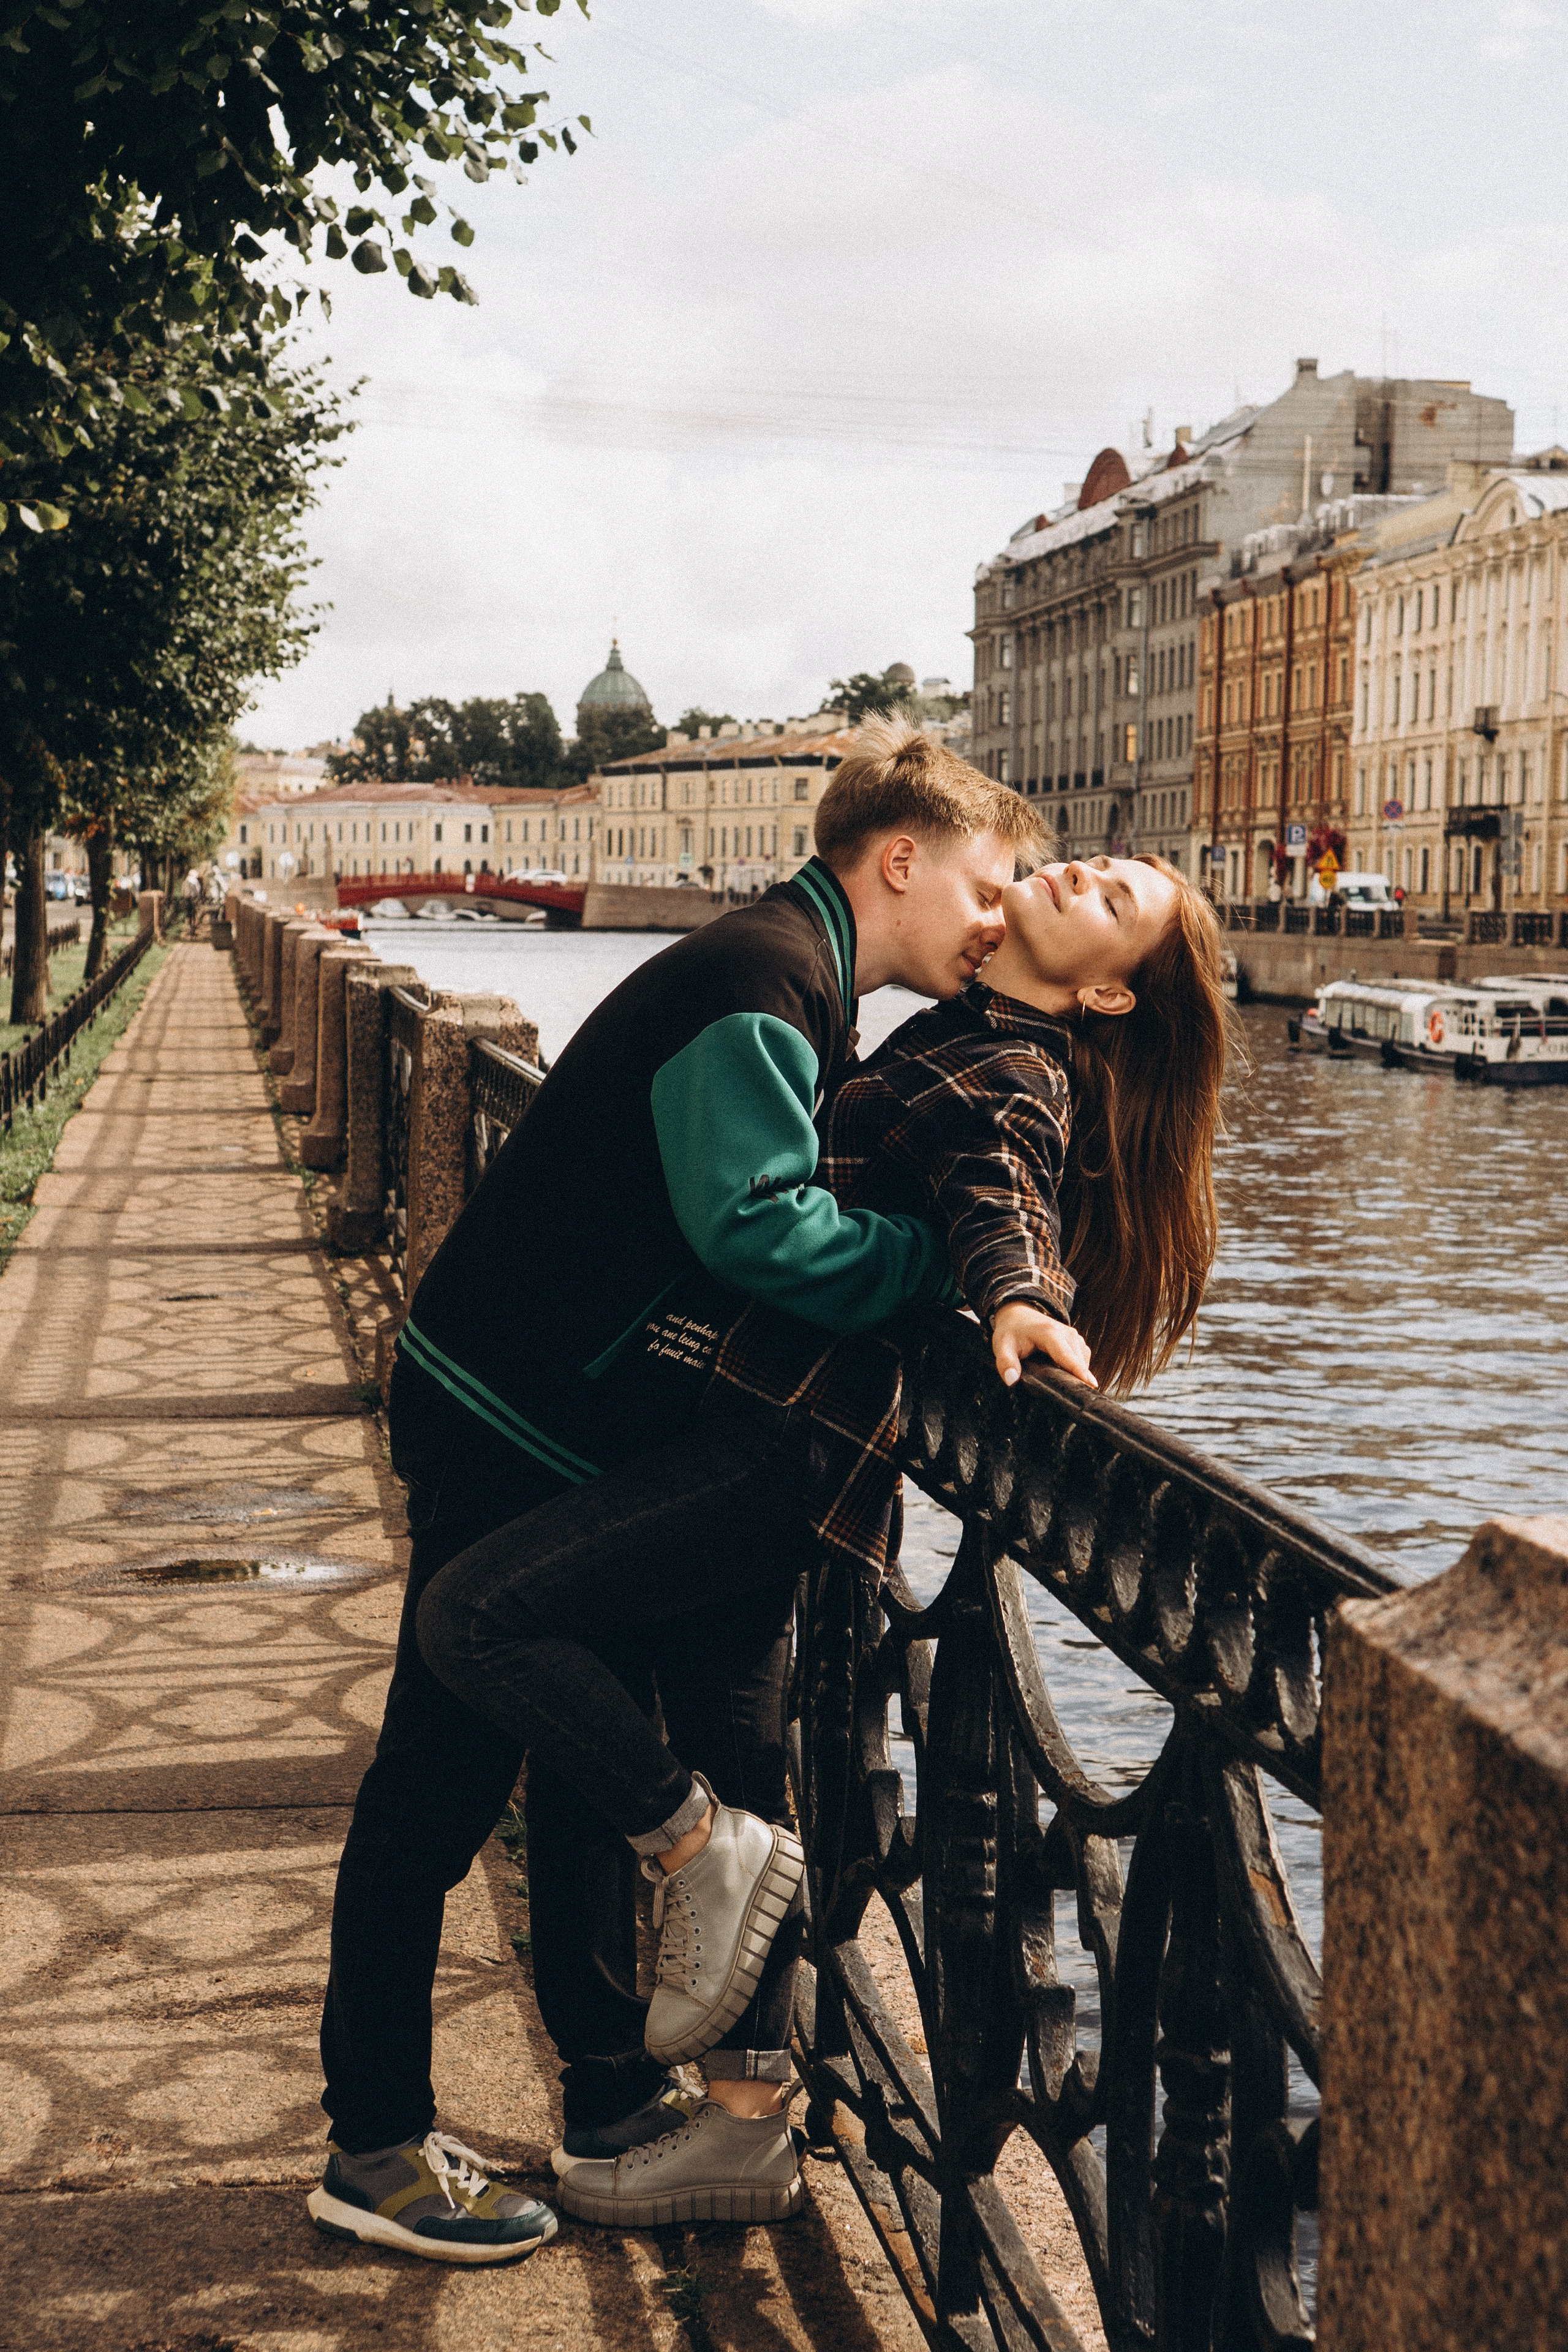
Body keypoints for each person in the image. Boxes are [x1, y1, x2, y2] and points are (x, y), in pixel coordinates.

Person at [412, 845, 1230, 2231]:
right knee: (741, 1759)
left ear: (1102, 996)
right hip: (746, 1436)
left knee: (480, 1619)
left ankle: (688, 1858)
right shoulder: (961, 1024)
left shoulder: (1012, 1070)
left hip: (774, 1453)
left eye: (1111, 901)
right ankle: (739, 2123)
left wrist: (1019, 1297)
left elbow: (1000, 1189)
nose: (1079, 871)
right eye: (1093, 865)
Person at [309, 720, 1038, 2264]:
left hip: (547, 1405)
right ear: (900, 858)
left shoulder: (787, 969)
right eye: (988, 882)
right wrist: (930, 1278)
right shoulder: (759, 980)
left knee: (566, 1773)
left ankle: (608, 2100)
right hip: (509, 1407)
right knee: (435, 1786)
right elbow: (756, 1230)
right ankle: (370, 2144)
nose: (997, 915)